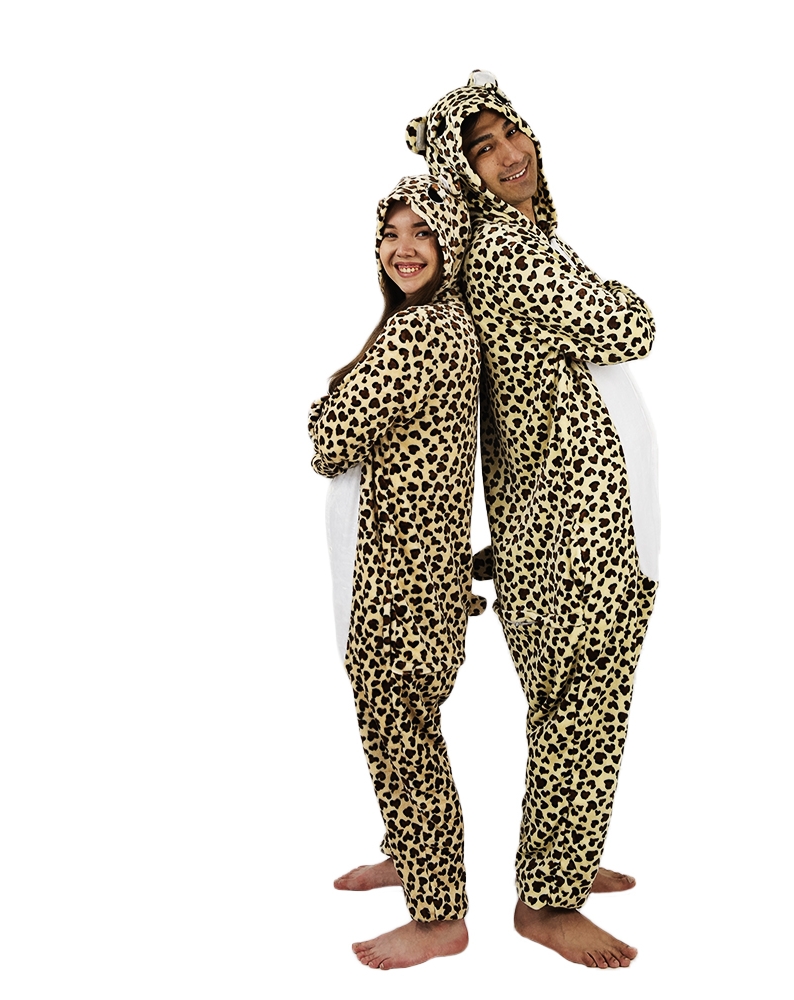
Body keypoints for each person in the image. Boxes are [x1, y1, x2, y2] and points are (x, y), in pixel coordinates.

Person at [402, 71, 661, 968]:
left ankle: (566, 854)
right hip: (573, 523)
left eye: (513, 133)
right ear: (462, 172)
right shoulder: (514, 251)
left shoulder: (510, 243)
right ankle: (548, 900)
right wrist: (616, 293)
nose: (510, 154)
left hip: (559, 514)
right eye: (483, 149)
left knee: (577, 698)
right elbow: (631, 326)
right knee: (581, 697)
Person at [308, 174, 483, 970]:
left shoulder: (420, 333)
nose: (403, 248)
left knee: (405, 739)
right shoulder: (441, 323)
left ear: (451, 244)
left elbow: (328, 442)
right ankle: (412, 853)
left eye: (423, 232)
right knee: (396, 733)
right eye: (391, 234)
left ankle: (439, 915)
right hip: (415, 575)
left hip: (402, 587)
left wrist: (324, 406)